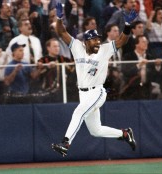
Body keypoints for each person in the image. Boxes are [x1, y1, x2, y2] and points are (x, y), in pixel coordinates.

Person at [51, 2, 137, 157]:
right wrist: (59, 18)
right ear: (86, 41)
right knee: (95, 131)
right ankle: (125, 134)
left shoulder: (104, 50)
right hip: (83, 93)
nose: (97, 41)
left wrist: (128, 25)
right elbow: (61, 31)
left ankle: (65, 143)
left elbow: (122, 41)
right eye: (94, 39)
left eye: (98, 39)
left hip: (97, 91)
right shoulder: (77, 47)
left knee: (78, 113)